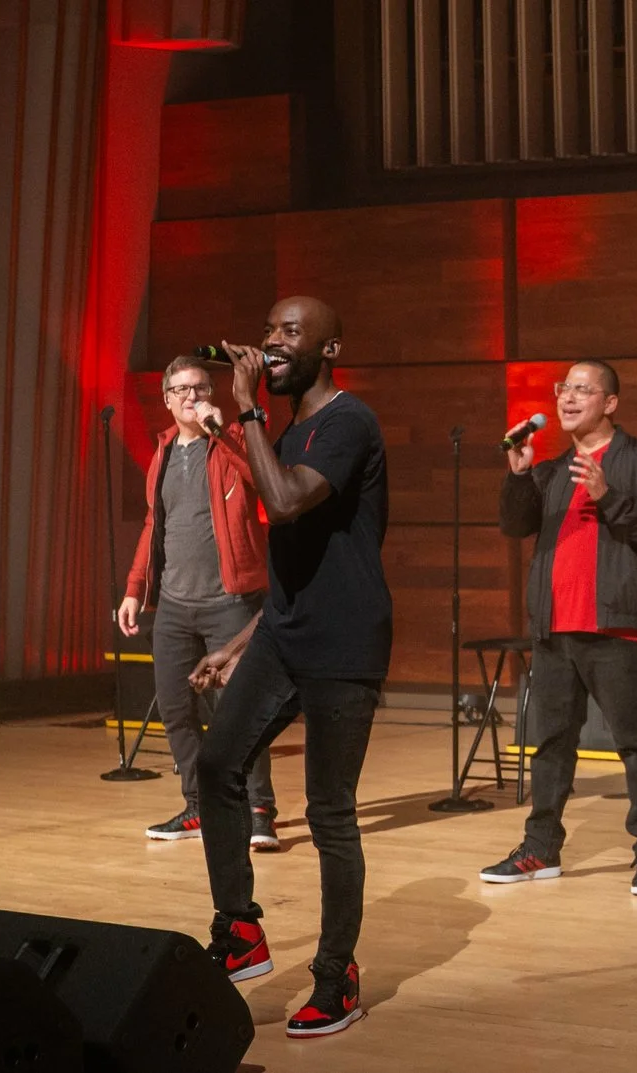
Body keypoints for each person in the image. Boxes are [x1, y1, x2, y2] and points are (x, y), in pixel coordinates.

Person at [190, 295, 392, 1037]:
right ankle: (240, 927)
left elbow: (283, 504)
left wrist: (243, 408)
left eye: (289, 333)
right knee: (217, 766)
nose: (271, 341)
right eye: (269, 329)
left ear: (328, 349)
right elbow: (295, 566)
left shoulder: (346, 421)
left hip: (345, 642)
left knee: (330, 811)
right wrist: (242, 639)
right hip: (284, 633)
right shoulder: (295, 427)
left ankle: (337, 977)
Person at [477, 360, 637, 897]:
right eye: (563, 389)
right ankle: (541, 849)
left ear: (610, 402)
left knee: (636, 743)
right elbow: (514, 526)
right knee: (550, 745)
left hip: (614, 628)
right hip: (552, 631)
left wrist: (608, 495)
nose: (568, 398)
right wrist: (520, 472)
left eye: (582, 390)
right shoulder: (550, 469)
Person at [117, 353, 279, 851]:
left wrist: (221, 433)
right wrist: (133, 588)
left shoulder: (230, 442)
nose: (193, 397)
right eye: (183, 390)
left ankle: (256, 809)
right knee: (175, 708)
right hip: (172, 606)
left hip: (228, 602)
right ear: (167, 400)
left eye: (202, 388)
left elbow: (261, 481)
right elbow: (153, 525)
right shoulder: (162, 452)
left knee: (238, 710)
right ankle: (200, 806)